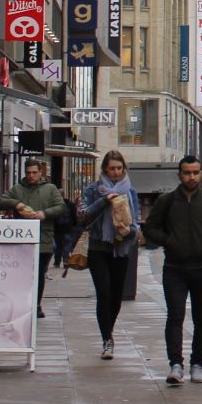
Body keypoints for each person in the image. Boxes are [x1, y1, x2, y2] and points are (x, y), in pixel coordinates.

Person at [143, 156, 202, 385]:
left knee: (201, 318)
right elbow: (150, 228)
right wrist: (169, 241)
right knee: (175, 316)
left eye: (195, 172)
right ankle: (176, 364)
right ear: (179, 175)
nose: (191, 177)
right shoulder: (167, 201)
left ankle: (198, 363)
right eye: (187, 173)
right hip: (175, 267)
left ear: (201, 174)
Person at [78, 150, 140, 360]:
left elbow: (136, 225)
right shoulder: (94, 190)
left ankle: (109, 331)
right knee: (103, 293)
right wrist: (104, 200)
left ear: (124, 170)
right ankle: (107, 338)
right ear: (105, 169)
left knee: (115, 296)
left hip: (121, 248)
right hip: (98, 248)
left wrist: (129, 231)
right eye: (111, 168)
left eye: (119, 169)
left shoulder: (130, 192)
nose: (115, 172)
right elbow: (83, 216)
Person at [0, 159, 67, 318]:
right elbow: (0, 202)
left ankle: (36, 305)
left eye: (34, 172)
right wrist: (17, 204)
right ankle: (21, 303)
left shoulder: (50, 189)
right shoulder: (17, 189)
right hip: (21, 239)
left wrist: (45, 213)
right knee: (22, 273)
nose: (31, 176)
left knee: (39, 273)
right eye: (28, 173)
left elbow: (61, 207)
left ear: (40, 172)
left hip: (44, 238)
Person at [52, 186, 79, 279]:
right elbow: (74, 216)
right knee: (67, 246)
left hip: (57, 229)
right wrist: (74, 225)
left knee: (58, 246)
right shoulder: (70, 204)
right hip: (68, 229)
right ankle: (65, 261)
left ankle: (56, 261)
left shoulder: (54, 205)